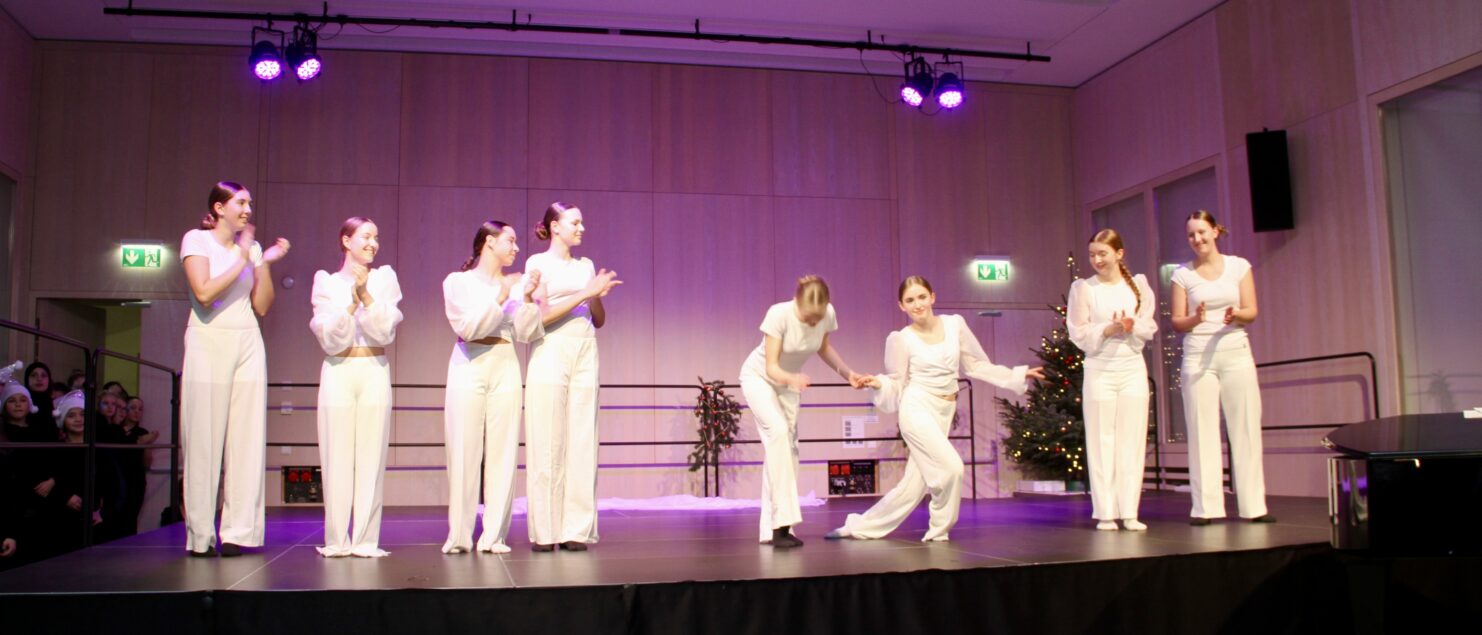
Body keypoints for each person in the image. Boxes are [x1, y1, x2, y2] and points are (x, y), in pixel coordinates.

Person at [829, 276, 1044, 542]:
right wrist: (879, 383)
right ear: (901, 306)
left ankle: (859, 526)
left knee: (913, 486)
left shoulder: (955, 325)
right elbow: (897, 381)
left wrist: (1016, 375)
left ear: (932, 297)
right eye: (910, 300)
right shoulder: (901, 339)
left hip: (945, 409)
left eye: (921, 297)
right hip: (916, 408)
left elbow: (976, 365)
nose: (917, 304)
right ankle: (939, 531)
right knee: (952, 468)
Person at [179, 181, 290, 557]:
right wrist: (243, 258)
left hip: (247, 340)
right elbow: (204, 293)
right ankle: (200, 535)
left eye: (249, 203)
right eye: (241, 203)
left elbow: (263, 306)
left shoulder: (252, 249)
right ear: (219, 207)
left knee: (246, 439)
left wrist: (264, 264)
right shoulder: (197, 240)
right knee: (203, 438)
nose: (247, 210)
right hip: (209, 339)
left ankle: (238, 532)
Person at [521, 202, 620, 552]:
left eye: (582, 223)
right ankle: (546, 530)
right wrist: (585, 293)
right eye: (574, 222)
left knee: (582, 439)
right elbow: (540, 318)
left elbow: (599, 319)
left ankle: (576, 529)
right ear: (555, 226)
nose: (581, 228)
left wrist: (596, 298)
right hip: (552, 348)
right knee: (548, 440)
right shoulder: (537, 264)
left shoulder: (586, 265)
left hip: (585, 349)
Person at [739, 276, 866, 548]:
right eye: (808, 318)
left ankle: (771, 528)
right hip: (760, 378)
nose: (813, 323)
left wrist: (848, 374)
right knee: (778, 433)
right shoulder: (778, 314)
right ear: (796, 302)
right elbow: (771, 366)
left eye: (817, 319)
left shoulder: (827, 313)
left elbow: (824, 347)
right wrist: (792, 378)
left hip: (789, 383)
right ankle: (781, 527)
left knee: (787, 450)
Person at [440, 221, 543, 554]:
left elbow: (527, 332)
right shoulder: (458, 282)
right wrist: (501, 294)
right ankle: (459, 535)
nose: (516, 248)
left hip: (505, 361)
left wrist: (526, 297)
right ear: (489, 242)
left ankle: (494, 535)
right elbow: (469, 328)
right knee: (464, 449)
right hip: (469, 362)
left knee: (503, 450)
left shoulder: (515, 285)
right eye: (510, 241)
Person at [1170, 210, 1273, 525]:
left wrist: (1236, 315)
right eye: (1191, 234)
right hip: (1198, 355)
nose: (1197, 239)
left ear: (1215, 231)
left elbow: (1251, 311)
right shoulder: (1182, 274)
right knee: (1202, 430)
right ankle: (1206, 508)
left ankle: (1254, 507)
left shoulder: (1239, 266)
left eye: (1202, 232)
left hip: (1235, 351)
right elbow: (1177, 321)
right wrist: (1196, 318)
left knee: (1245, 428)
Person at [309, 217, 403, 558]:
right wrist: (352, 301)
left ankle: (365, 540)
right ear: (346, 240)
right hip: (338, 369)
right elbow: (329, 337)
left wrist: (366, 295)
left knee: (371, 457)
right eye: (366, 236)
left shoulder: (384, 278)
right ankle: (337, 540)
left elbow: (385, 331)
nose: (373, 243)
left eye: (376, 237)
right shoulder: (326, 281)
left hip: (373, 367)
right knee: (336, 456)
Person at [1067, 229, 1157, 531]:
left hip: (1131, 367)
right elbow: (1077, 332)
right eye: (1092, 254)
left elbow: (1148, 325)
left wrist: (1130, 325)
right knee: (1101, 438)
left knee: (1132, 438)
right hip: (1100, 369)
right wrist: (1107, 329)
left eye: (1102, 253)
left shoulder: (1137, 285)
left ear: (1119, 253)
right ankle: (1106, 512)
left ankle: (1130, 511)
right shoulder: (1084, 288)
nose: (1097, 259)